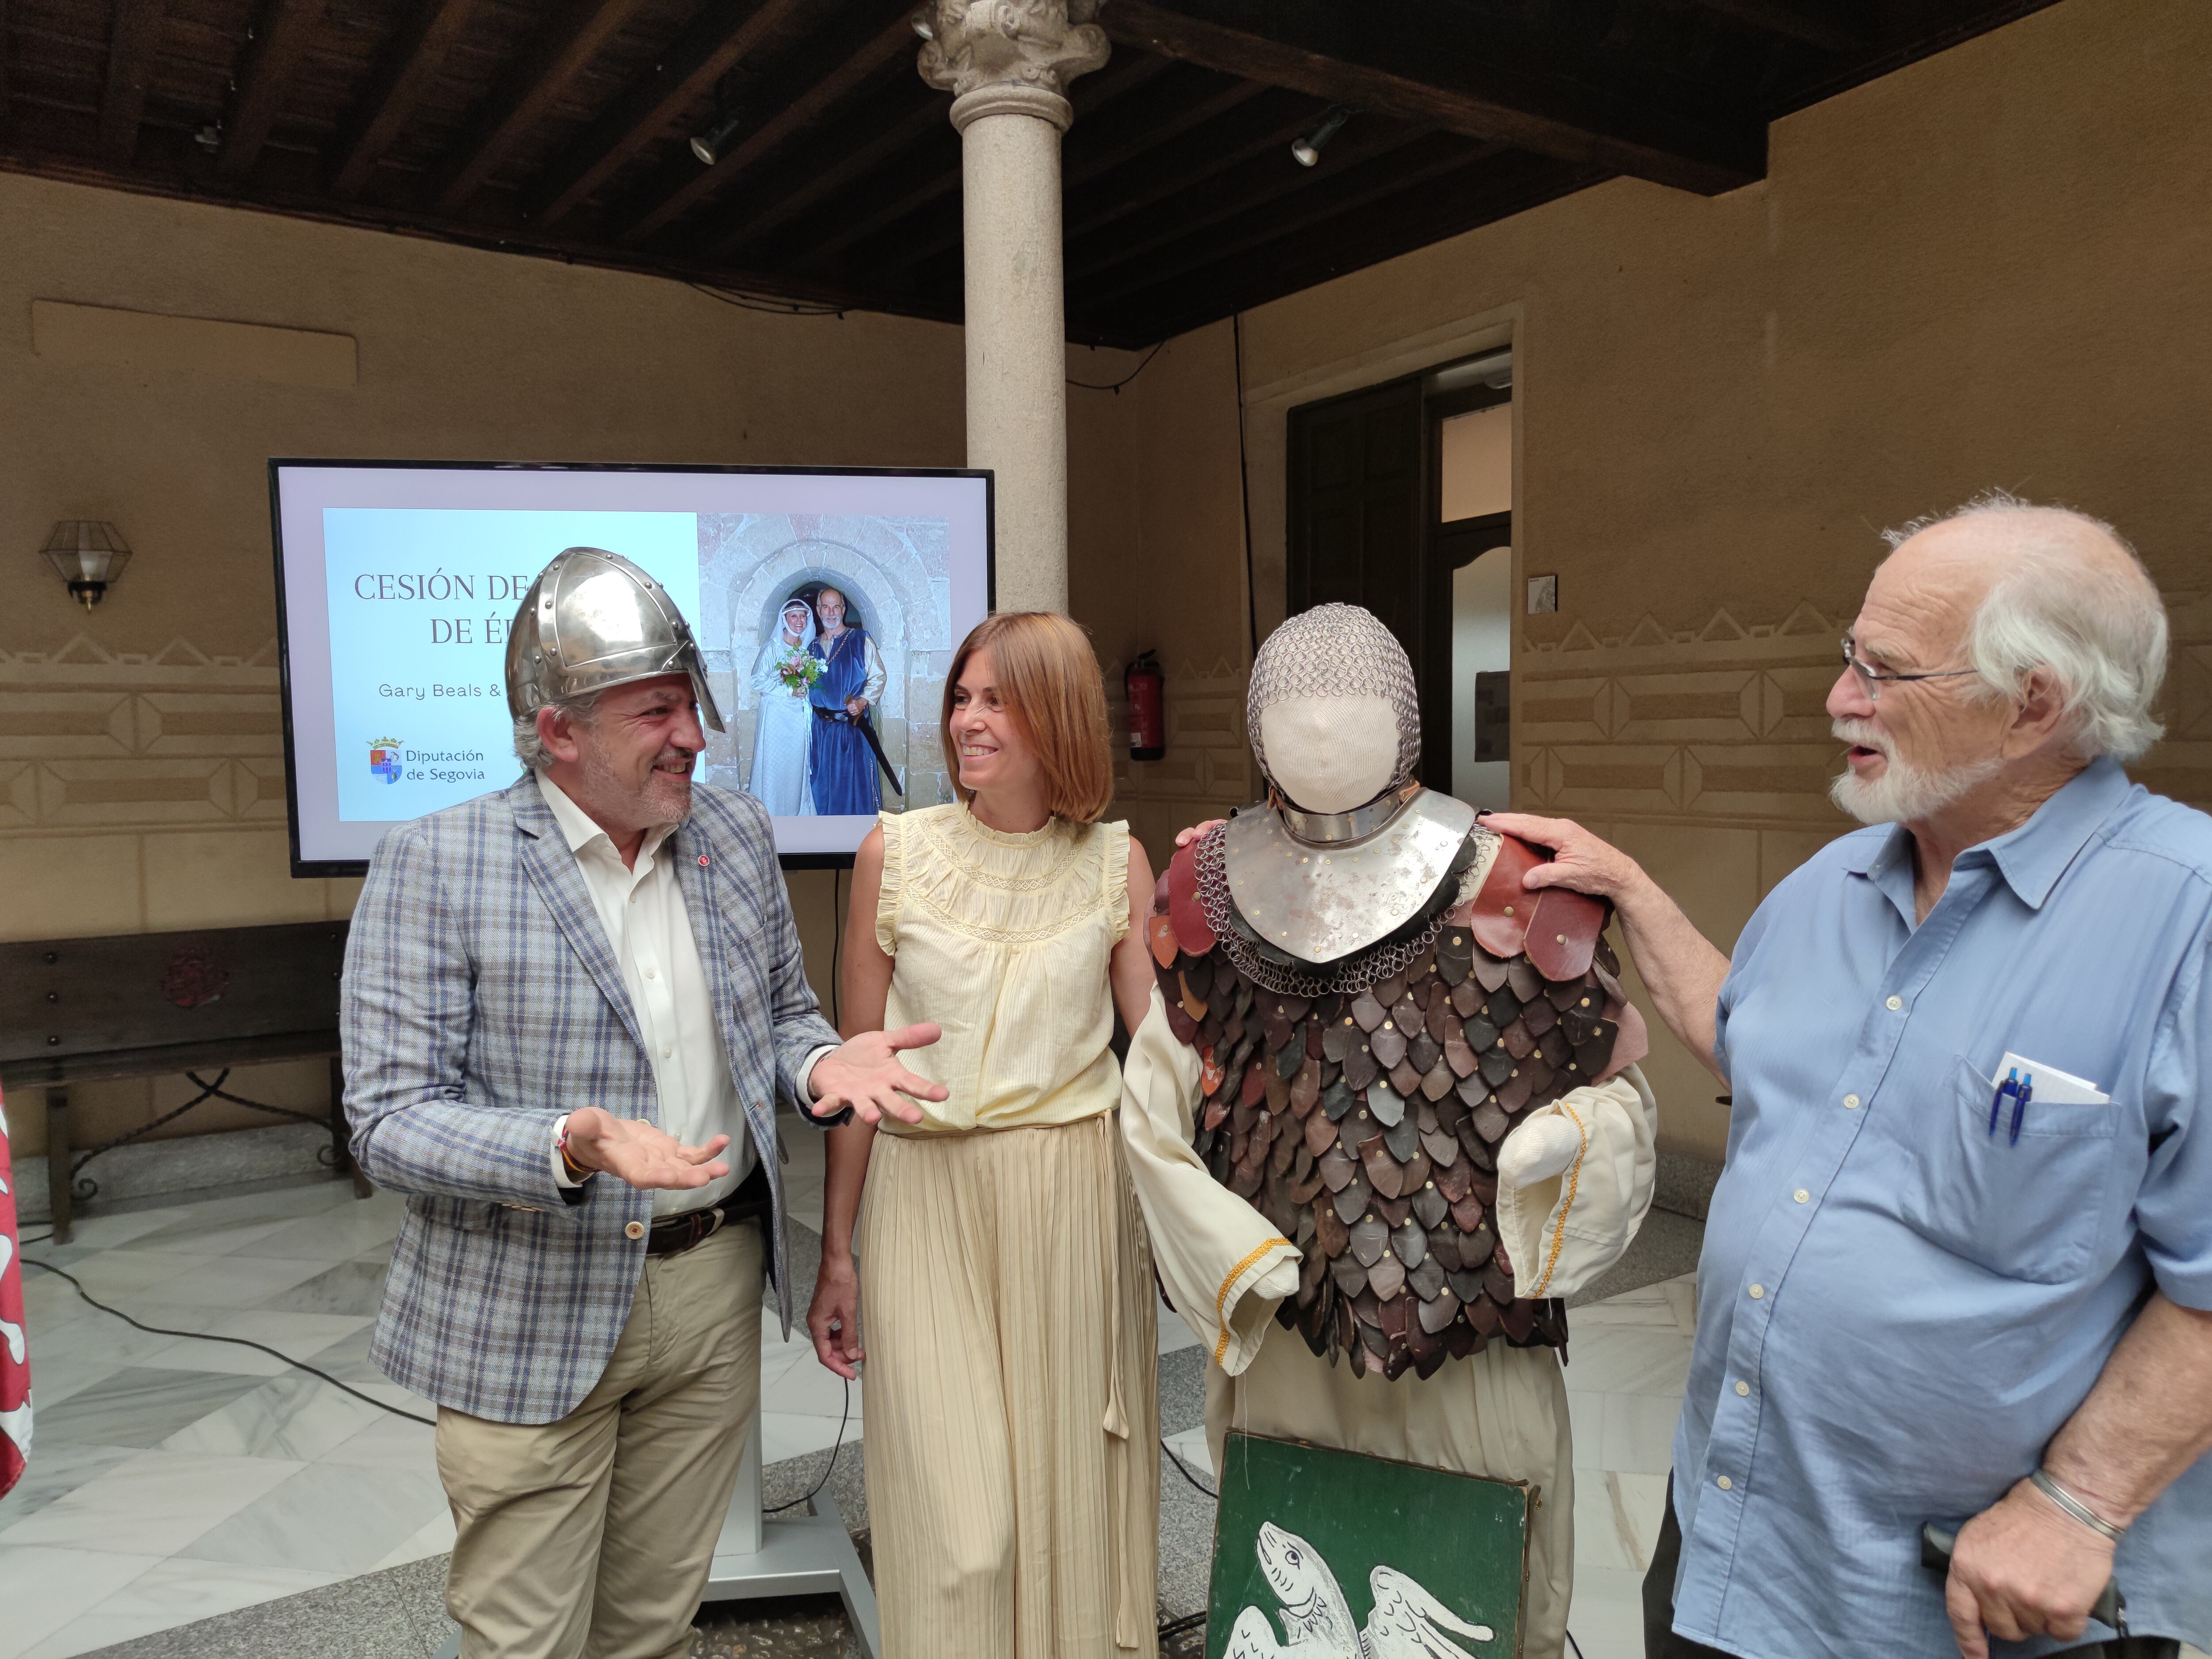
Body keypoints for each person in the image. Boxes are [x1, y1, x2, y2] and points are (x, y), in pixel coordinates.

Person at [1484, 495, 2212, 1659]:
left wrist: (2082, 1498)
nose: (1840, 698)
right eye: (1846, 657)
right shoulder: (1832, 881)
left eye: (1883, 670)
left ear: (2032, 700)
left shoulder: (2189, 916)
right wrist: (1629, 889)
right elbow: (1765, 1051)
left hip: (1971, 1601)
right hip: (1729, 1541)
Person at [343, 545, 946, 1659]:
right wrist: (566, 1141)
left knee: (653, 1628)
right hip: (530, 1301)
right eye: (658, 709)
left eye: (695, 704)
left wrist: (821, 1067)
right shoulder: (437, 861)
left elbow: (779, 1015)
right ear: (556, 727)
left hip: (711, 1287)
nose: (695, 735)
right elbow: (388, 1119)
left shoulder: (734, 834)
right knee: (528, 1639)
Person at [1129, 603, 1659, 1657]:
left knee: (1489, 1594)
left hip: (1474, 1338)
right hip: (1282, 1332)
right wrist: (1232, 1259)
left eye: (1347, 703)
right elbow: (1151, 1107)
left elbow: (1625, 1094)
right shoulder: (1205, 886)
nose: (1321, 727)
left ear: (1402, 722)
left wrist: (1573, 1152)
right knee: (1284, 1599)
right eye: (1296, 705)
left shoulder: (1516, 879)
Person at [805, 611, 1161, 1659]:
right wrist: (837, 1249)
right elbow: (858, 1070)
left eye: (995, 698)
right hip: (924, 1199)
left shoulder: (1113, 864)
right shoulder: (894, 853)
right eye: (961, 695)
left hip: (1073, 1201)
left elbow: (1170, 1059)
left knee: (1070, 1507)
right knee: (964, 1535)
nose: (967, 718)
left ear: (1055, 714)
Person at [806, 584, 888, 815]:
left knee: (855, 791)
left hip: (853, 730)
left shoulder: (861, 640)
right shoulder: (811, 648)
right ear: (819, 610)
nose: (831, 613)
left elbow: (878, 676)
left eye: (836, 607)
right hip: (821, 732)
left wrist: (863, 701)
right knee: (822, 791)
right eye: (826, 607)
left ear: (843, 609)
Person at [746, 596, 817, 815]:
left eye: (803, 616)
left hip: (797, 718)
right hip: (777, 718)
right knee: (775, 768)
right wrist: (788, 691)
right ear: (785, 620)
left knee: (795, 768)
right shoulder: (773, 648)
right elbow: (756, 680)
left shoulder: (804, 650)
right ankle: (774, 814)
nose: (799, 621)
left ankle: (798, 813)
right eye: (794, 616)